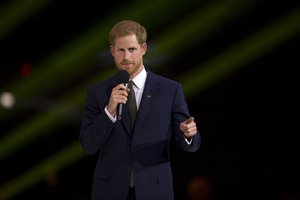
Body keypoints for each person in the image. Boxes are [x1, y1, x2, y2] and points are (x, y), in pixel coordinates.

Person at [79, 20, 201, 200]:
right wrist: (109, 111)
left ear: (143, 48)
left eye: (132, 49)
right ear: (112, 51)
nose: (126, 56)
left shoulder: (169, 90)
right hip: (110, 191)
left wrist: (188, 134)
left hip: (154, 190)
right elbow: (88, 145)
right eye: (120, 50)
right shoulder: (97, 92)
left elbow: (189, 141)